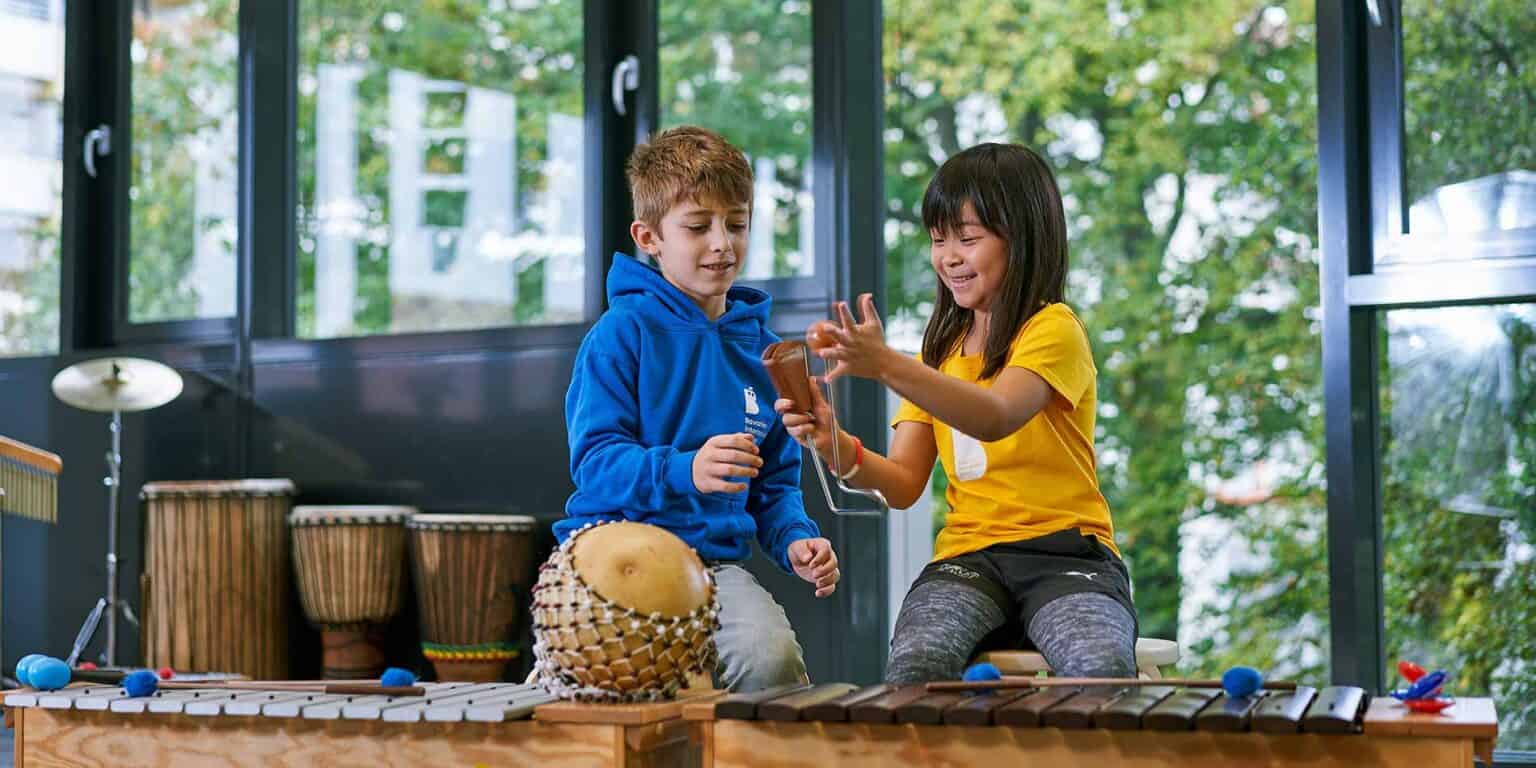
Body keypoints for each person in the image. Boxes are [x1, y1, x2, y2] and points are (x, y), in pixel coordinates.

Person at [777, 143, 1137, 683]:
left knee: (1099, 666)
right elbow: (901, 485)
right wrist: (832, 442)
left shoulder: (1053, 329)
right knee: (916, 665)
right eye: (938, 239)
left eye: (968, 239)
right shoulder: (939, 352)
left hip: (1068, 556)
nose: (949, 256)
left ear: (1024, 238)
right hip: (971, 560)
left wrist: (887, 365)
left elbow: (995, 415)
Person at [557, 125, 839, 692]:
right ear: (649, 236)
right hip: (612, 552)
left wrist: (795, 540)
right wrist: (686, 469)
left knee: (772, 661)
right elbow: (596, 464)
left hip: (713, 569)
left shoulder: (768, 354)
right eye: (697, 226)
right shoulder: (620, 334)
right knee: (609, 702)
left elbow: (775, 486)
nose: (722, 243)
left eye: (736, 224)